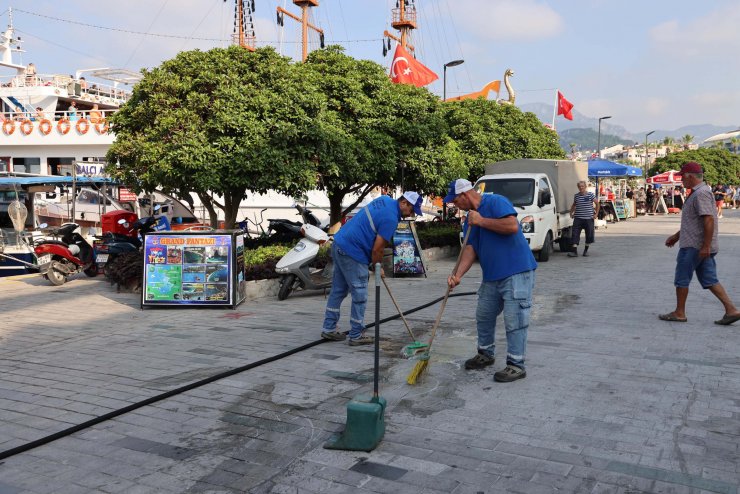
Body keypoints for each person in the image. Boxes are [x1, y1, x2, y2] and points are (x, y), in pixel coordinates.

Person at [445, 179, 537, 383]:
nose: (455, 205)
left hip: (516, 272)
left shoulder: (495, 202)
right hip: (492, 276)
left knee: (515, 320)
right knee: (484, 315)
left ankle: (516, 364)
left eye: (455, 200)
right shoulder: (471, 217)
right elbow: (470, 248)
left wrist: (481, 221)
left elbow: (512, 226)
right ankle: (485, 354)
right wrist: (457, 275)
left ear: (464, 195)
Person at [320, 191, 422, 346]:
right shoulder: (391, 219)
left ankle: (328, 329)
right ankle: (356, 335)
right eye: (412, 210)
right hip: (354, 251)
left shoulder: (384, 199)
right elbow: (377, 249)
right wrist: (378, 266)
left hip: (340, 243)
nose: (411, 214)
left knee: (338, 290)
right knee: (359, 294)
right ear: (404, 203)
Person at [660, 162, 740, 325]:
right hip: (698, 245)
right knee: (709, 279)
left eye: (682, 176)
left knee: (682, 277)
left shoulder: (701, 193)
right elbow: (695, 222)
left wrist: (705, 246)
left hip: (694, 247)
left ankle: (679, 312)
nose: (681, 180)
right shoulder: (698, 192)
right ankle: (731, 310)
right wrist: (676, 236)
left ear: (690, 176)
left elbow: (708, 219)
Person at [568, 180, 599, 257]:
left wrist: (596, 214)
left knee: (589, 235)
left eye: (582, 186)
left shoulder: (590, 195)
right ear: (578, 187)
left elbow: (597, 204)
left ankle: (586, 251)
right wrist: (571, 213)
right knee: (575, 234)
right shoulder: (576, 196)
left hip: (589, 219)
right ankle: (574, 252)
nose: (581, 187)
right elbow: (574, 205)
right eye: (579, 186)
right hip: (578, 218)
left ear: (585, 187)